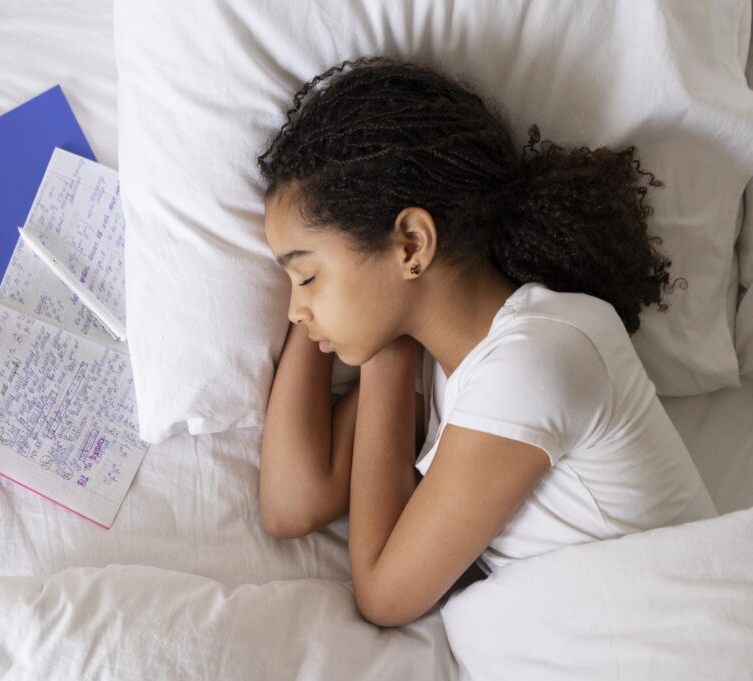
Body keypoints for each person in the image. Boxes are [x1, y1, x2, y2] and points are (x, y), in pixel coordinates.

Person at [255, 56, 719, 628]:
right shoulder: (438, 364)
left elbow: (384, 596)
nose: (295, 310)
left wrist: (379, 351)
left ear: (410, 244)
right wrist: (378, 341)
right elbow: (291, 504)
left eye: (305, 277)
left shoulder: (539, 356)